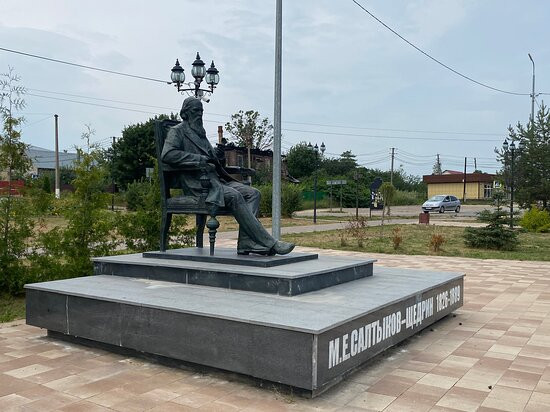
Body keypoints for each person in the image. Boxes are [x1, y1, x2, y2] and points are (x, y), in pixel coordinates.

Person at [161, 97, 294, 256]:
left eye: (202, 111)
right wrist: (199, 160)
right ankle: (270, 243)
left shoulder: (200, 134)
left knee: (253, 193)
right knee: (235, 196)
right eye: (196, 111)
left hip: (216, 181)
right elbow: (168, 155)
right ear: (185, 113)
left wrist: (219, 156)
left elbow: (214, 162)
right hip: (198, 185)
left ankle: (246, 242)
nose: (200, 114)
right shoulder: (177, 131)